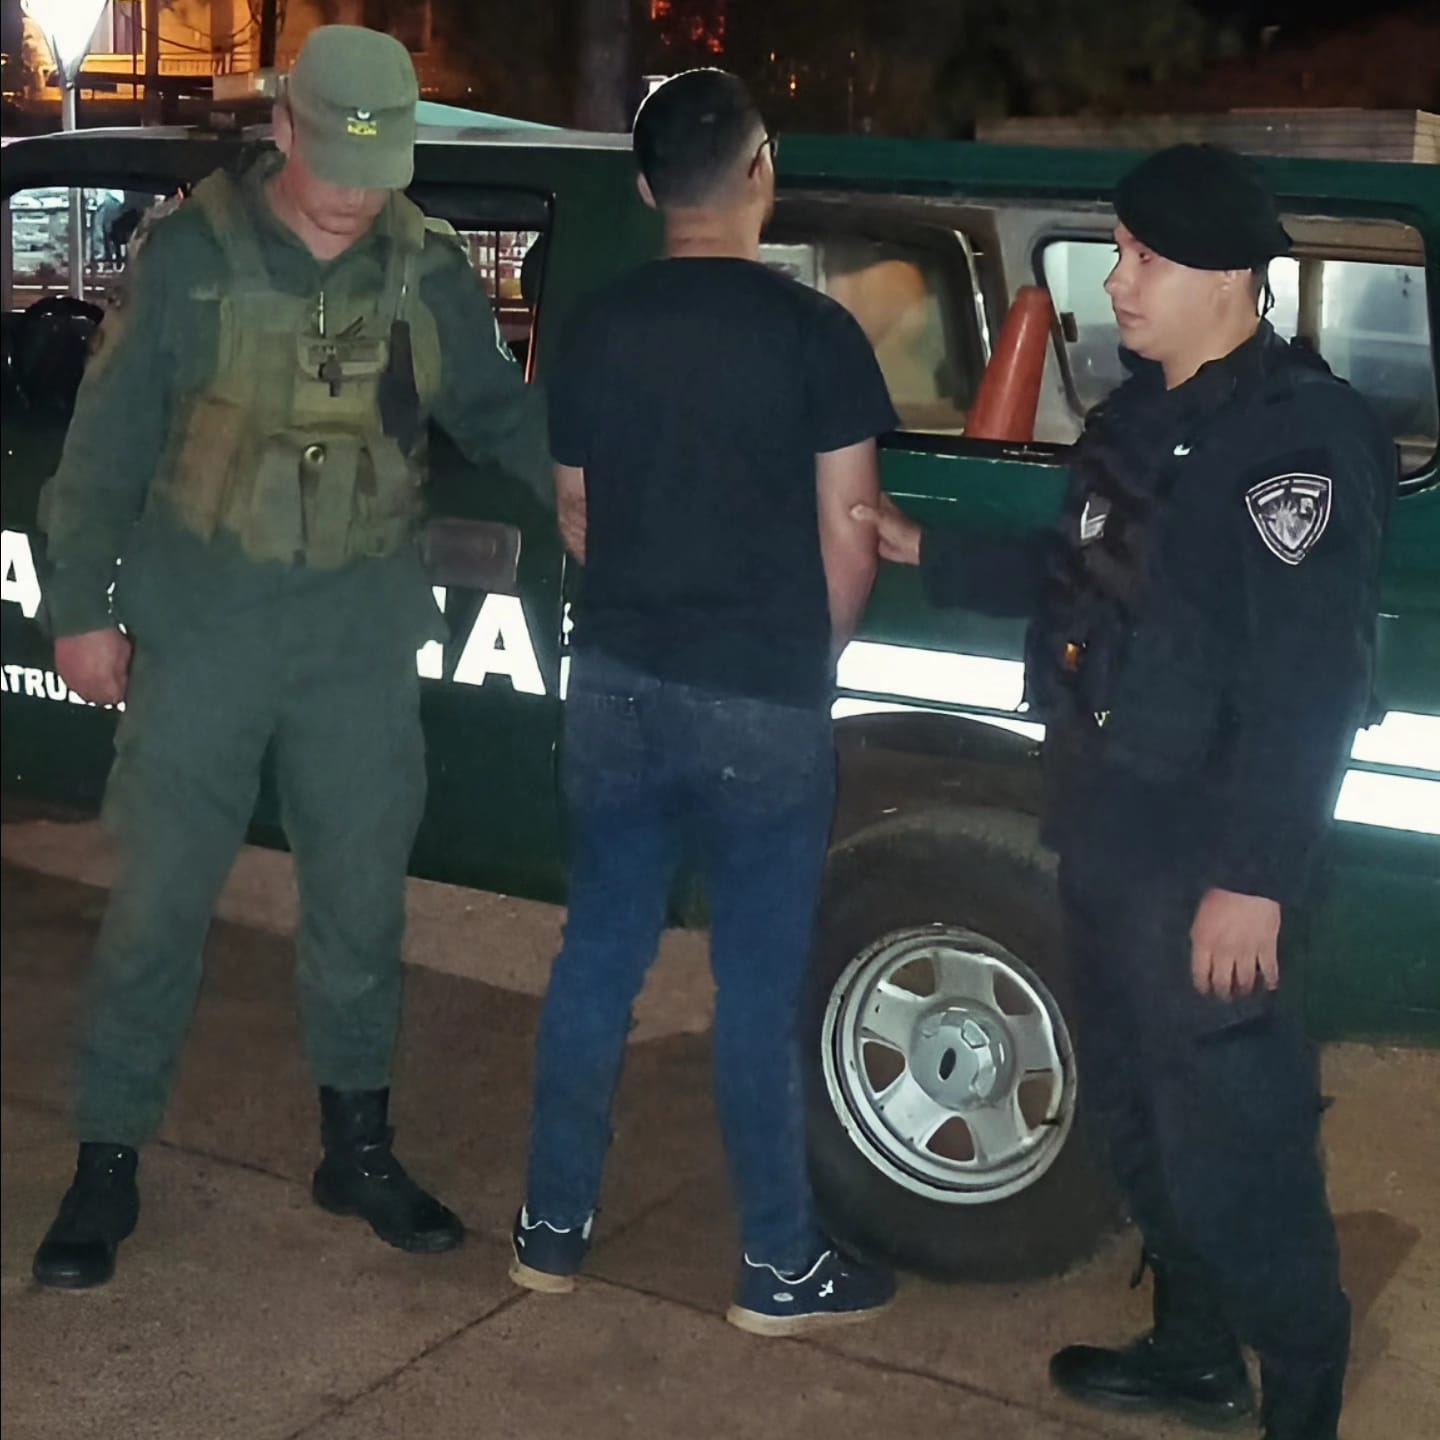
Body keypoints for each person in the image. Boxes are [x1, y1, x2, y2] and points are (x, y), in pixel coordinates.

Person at [855, 145, 1394, 1438]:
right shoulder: (1137, 420)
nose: (1116, 279)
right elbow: (1078, 575)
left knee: (1240, 1146)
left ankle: (1301, 1396)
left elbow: (1310, 686)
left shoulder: (1299, 443)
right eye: (1120, 252)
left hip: (1209, 851)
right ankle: (1195, 1351)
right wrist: (929, 549)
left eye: (1143, 257)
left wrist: (1254, 880)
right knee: (1136, 1119)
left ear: (1228, 275)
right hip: (1108, 824)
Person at [32, 24, 550, 1290]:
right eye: (337, 165)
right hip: (204, 631)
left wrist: (597, 491)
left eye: (381, 170)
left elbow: (498, 413)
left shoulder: (425, 265)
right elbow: (103, 446)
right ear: (282, 131)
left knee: (362, 902)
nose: (358, 196)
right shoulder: (190, 258)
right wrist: (79, 608)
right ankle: (107, 1157)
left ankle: (357, 1146)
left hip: (357, 636)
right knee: (157, 903)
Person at [511, 68, 899, 1337]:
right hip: (760, 696)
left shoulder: (595, 330)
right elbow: (851, 532)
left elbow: (577, 515)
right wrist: (802, 655)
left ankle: (549, 1230)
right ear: (761, 169)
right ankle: (777, 1265)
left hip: (616, 681)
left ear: (644, 188)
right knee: (757, 986)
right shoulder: (817, 335)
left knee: (597, 956)